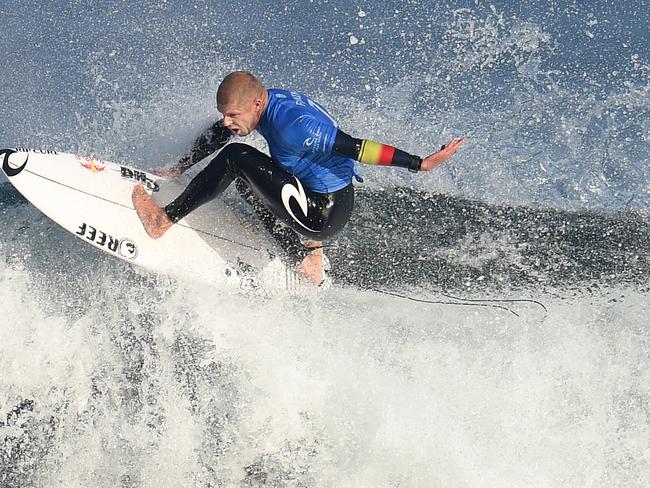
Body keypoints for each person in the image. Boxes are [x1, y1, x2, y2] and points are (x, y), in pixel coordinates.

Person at [132, 71, 465, 285]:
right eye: (225, 114)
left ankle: (163, 219)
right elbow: (224, 132)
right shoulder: (265, 102)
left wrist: (419, 163)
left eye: (233, 115)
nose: (228, 121)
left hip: (323, 212)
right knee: (248, 172)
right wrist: (181, 165)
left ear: (256, 103)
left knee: (236, 159)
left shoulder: (295, 125)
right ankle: (306, 256)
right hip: (322, 196)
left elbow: (356, 147)